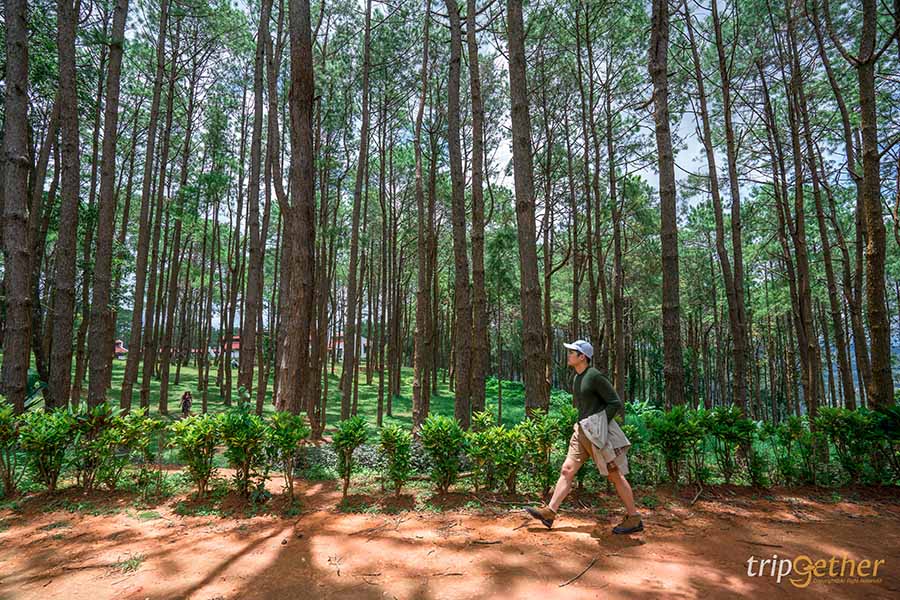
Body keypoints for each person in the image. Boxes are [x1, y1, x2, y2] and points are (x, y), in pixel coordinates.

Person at [524, 339, 644, 536]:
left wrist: (598, 424)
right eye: (570, 351)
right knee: (567, 470)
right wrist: (582, 424)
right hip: (581, 432)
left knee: (615, 475)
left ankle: (634, 518)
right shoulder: (577, 378)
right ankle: (550, 513)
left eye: (573, 352)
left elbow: (614, 402)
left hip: (597, 435)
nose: (569, 354)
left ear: (583, 357)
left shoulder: (595, 376)